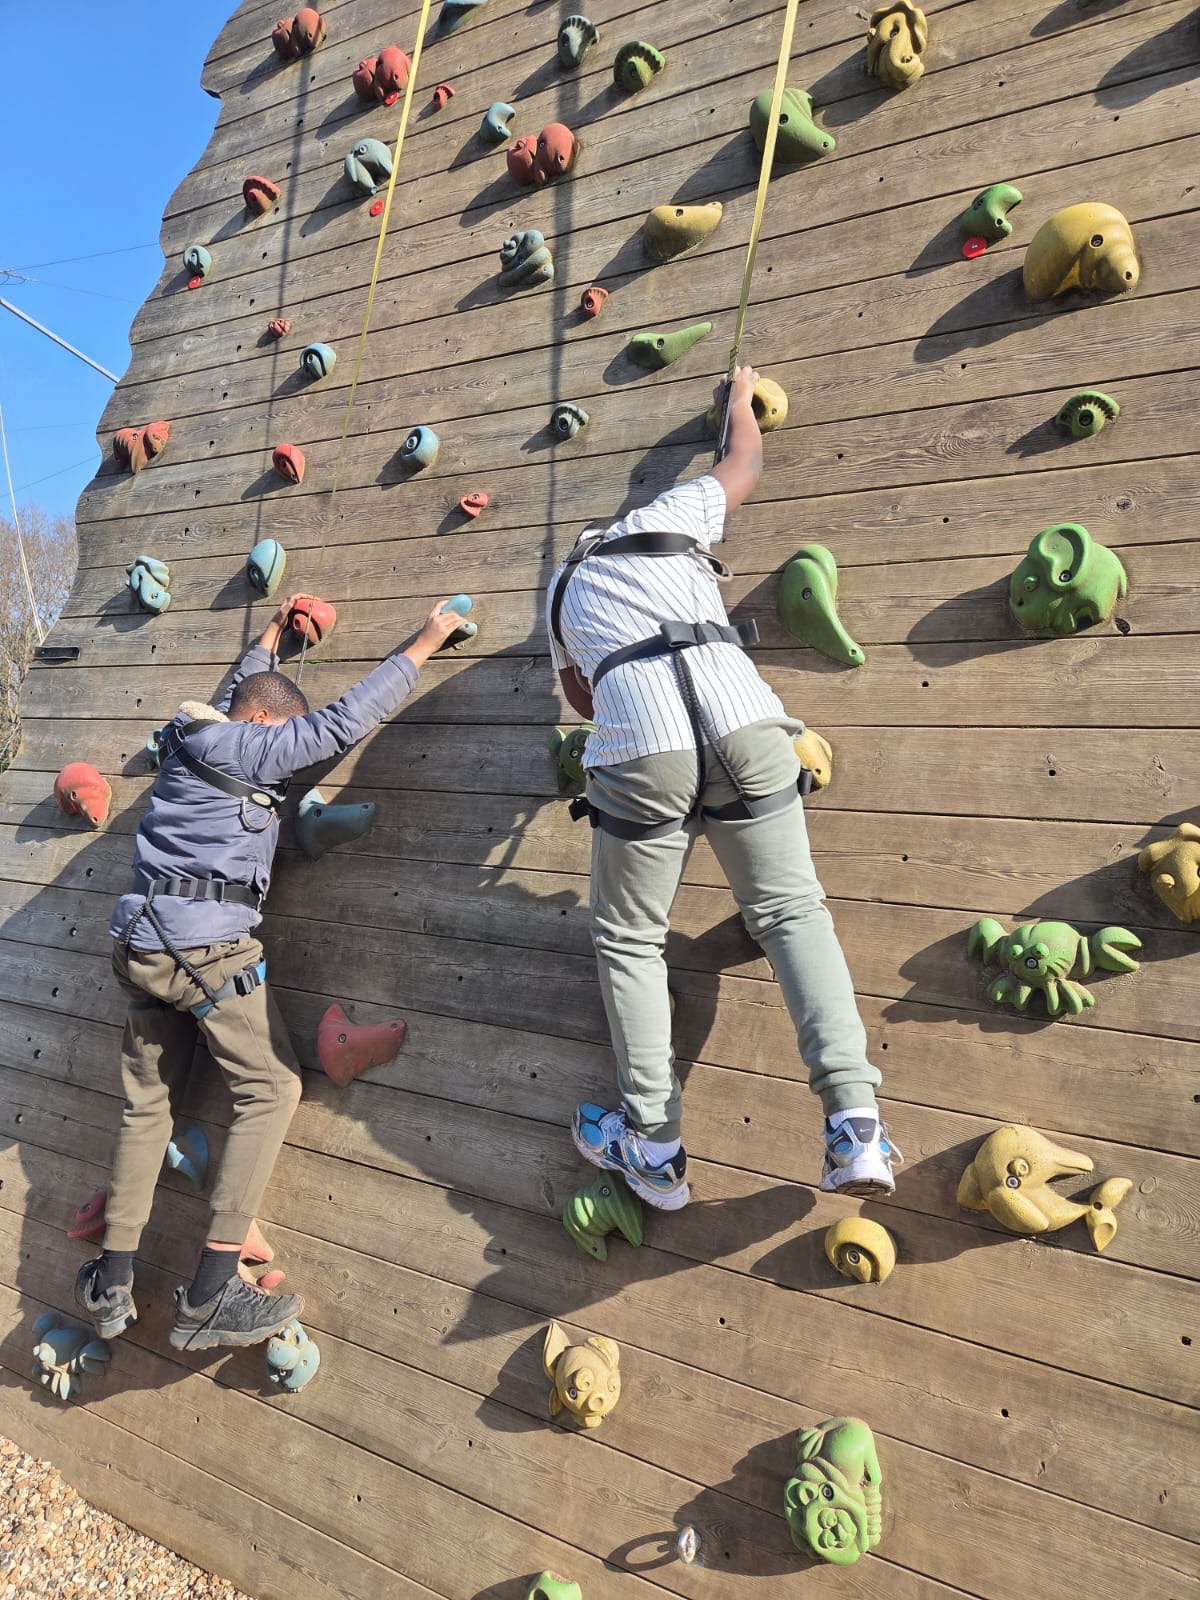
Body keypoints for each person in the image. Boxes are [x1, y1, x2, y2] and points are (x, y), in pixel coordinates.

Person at [547, 365, 902, 1212]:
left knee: (630, 938)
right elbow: (743, 462)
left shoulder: (560, 590)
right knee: (791, 912)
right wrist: (738, 399)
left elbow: (582, 700)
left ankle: (653, 1145)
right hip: (745, 721)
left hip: (643, 747)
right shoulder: (669, 518)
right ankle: (855, 1125)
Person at [75, 594, 465, 1350]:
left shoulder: (193, 739)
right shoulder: (248, 746)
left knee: (148, 1106)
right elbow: (342, 722)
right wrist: (425, 640)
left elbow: (244, 687)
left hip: (139, 944)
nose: (285, 759)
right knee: (274, 1087)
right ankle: (211, 1295)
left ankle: (111, 1281)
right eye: (278, 739)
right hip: (204, 948)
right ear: (260, 725)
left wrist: (272, 637)